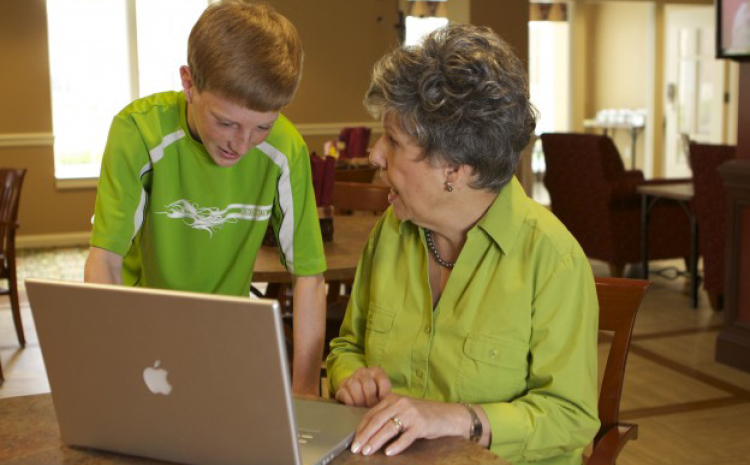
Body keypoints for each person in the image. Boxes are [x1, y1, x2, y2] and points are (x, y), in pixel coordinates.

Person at [326, 24, 600, 464]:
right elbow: (346, 346)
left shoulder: (552, 259)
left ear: (455, 167)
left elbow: (570, 417)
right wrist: (350, 375)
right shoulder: (391, 232)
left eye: (394, 142)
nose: (376, 155)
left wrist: (456, 419)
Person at [84, 1, 326, 395]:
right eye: (225, 122)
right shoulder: (138, 132)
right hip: (139, 332)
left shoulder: (286, 149)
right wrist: (112, 360)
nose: (242, 144)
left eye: (262, 126)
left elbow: (309, 279)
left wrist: (305, 393)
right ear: (189, 82)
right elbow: (105, 261)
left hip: (225, 338)